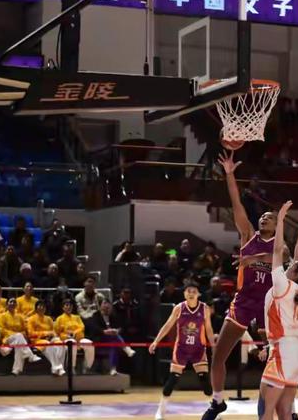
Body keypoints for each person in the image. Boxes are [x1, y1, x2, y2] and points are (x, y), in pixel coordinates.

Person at [201, 150, 278, 420]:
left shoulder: (280, 246)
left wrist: (253, 259)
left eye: (269, 217)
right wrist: (230, 175)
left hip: (268, 306)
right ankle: (217, 401)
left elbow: (278, 259)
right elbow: (236, 204)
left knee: (276, 362)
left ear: (277, 224)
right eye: (262, 216)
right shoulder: (248, 235)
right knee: (218, 355)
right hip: (244, 302)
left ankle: (283, 408)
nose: (263, 219)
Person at [259, 201, 298, 420]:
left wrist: (281, 219)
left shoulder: (282, 284)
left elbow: (277, 249)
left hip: (283, 349)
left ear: (295, 273)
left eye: (292, 266)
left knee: (265, 409)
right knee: (285, 411)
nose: (290, 264)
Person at [150, 282, 215, 420]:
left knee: (205, 382)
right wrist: (156, 341)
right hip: (181, 349)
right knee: (172, 380)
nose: (191, 294)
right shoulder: (179, 308)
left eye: (194, 291)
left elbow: (209, 329)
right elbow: (167, 325)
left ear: (198, 294)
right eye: (188, 291)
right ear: (184, 294)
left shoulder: (204, 308)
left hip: (198, 349)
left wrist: (214, 346)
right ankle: (161, 411)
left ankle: (214, 411)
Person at [86, 300, 136, 376]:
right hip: (99, 339)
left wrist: (117, 330)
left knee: (114, 344)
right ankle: (126, 348)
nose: (106, 306)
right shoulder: (95, 315)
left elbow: (120, 327)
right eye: (104, 304)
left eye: (108, 305)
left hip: (111, 340)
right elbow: (94, 328)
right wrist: (104, 331)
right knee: (114, 338)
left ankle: (113, 369)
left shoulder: (112, 316)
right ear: (100, 306)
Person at [0, 297, 42, 375]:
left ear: (16, 305)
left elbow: (24, 329)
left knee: (19, 344)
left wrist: (19, 334)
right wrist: (15, 334)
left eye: (14, 302)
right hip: (7, 339)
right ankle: (30, 355)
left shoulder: (20, 316)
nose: (13, 303)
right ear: (7, 304)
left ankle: (16, 370)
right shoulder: (2, 316)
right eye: (11, 302)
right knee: (19, 336)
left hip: (18, 340)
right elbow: (1, 330)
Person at [54, 299, 95, 373]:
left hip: (78, 338)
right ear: (63, 307)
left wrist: (74, 333)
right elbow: (57, 331)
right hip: (66, 339)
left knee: (90, 343)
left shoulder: (77, 317)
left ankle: (87, 366)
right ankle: (71, 367)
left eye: (70, 305)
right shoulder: (59, 318)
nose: (69, 307)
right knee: (72, 343)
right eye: (66, 305)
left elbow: (82, 327)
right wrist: (66, 333)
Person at [27, 300, 66, 376]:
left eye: (43, 306)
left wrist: (52, 335)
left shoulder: (49, 319)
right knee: (48, 344)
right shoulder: (31, 319)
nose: (42, 308)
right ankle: (58, 367)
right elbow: (31, 333)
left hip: (49, 338)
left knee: (60, 343)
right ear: (36, 308)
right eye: (40, 306)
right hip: (37, 340)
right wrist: (45, 334)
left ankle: (58, 367)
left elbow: (53, 331)